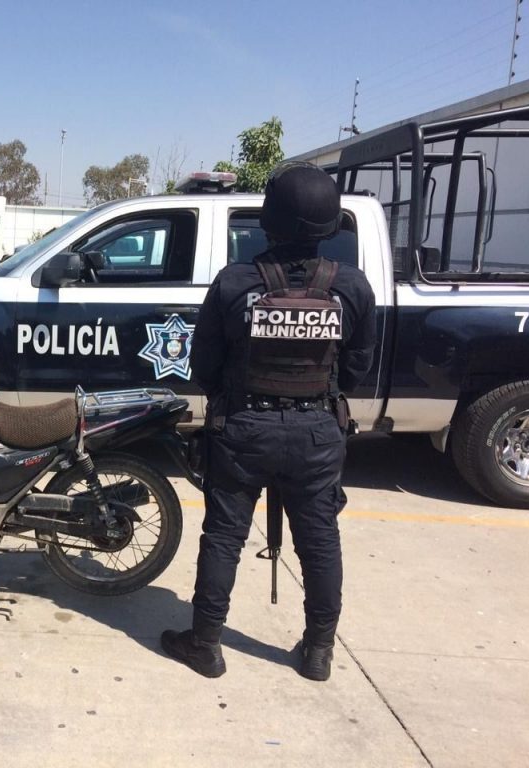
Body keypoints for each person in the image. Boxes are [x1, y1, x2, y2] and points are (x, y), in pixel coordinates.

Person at [162, 162, 376, 681]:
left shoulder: (235, 282)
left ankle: (205, 644)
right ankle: (319, 652)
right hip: (317, 432)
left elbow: (204, 365)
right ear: (330, 223)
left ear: (269, 220)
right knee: (319, 542)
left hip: (244, 428)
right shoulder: (352, 286)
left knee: (224, 537)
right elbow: (357, 369)